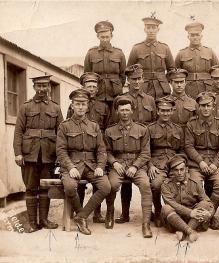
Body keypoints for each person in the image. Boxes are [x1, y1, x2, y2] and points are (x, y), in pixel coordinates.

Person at [56, 89, 111, 235]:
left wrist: (100, 166)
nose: (80, 107)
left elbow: (101, 149)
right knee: (69, 187)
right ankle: (81, 215)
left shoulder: (94, 126)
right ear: (72, 105)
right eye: (77, 104)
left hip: (91, 165)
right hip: (72, 164)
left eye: (83, 104)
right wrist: (70, 167)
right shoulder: (64, 126)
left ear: (87, 106)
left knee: (105, 187)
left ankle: (81, 216)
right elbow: (61, 151)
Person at [13, 75, 63, 233]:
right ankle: (32, 222)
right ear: (34, 87)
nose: (42, 89)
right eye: (39, 86)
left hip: (49, 154)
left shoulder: (55, 108)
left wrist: (60, 156)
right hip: (30, 154)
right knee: (30, 188)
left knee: (45, 188)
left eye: (45, 86)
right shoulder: (25, 107)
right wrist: (18, 153)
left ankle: (44, 220)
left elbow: (61, 133)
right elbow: (18, 132)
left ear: (49, 87)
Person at [111, 64, 157, 224]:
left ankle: (149, 212)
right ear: (128, 81)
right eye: (133, 79)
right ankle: (125, 213)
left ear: (143, 79)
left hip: (144, 142)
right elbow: (114, 121)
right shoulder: (121, 99)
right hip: (124, 142)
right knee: (125, 185)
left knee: (146, 181)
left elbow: (154, 122)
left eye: (139, 79)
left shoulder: (150, 100)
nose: (136, 82)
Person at [104, 96, 153, 237]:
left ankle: (146, 224)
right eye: (122, 110)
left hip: (136, 164)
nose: (125, 112)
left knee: (145, 185)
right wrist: (114, 162)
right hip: (118, 164)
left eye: (127, 110)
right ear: (117, 112)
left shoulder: (142, 129)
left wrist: (135, 166)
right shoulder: (109, 131)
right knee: (112, 185)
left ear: (132, 111)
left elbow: (145, 152)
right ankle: (110, 213)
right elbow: (106, 151)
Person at [67, 72, 110, 223]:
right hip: (77, 148)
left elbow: (107, 127)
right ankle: (78, 211)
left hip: (96, 148)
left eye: (94, 86)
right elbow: (68, 127)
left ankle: (96, 213)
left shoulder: (103, 106)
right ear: (83, 87)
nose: (91, 89)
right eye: (88, 86)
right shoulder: (75, 106)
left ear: (97, 89)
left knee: (101, 183)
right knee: (77, 185)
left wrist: (101, 161)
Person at [185, 92, 219, 229]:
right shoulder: (191, 124)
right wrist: (201, 162)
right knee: (195, 184)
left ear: (213, 106)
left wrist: (215, 165)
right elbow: (189, 146)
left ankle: (210, 215)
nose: (205, 108)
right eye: (203, 105)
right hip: (197, 163)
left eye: (208, 105)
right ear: (198, 107)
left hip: (216, 162)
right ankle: (200, 215)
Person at [147, 97, 184, 226]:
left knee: (183, 181)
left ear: (172, 111)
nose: (165, 113)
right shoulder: (150, 129)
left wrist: (181, 164)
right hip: (158, 165)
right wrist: (150, 165)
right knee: (156, 185)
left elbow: (182, 150)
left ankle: (178, 211)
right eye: (162, 110)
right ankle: (157, 210)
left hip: (175, 163)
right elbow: (146, 151)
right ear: (157, 111)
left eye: (168, 110)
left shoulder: (178, 129)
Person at [161, 154, 214, 242]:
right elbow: (172, 204)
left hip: (193, 219)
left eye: (182, 169)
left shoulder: (195, 182)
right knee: (166, 208)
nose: (179, 173)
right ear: (172, 172)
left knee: (204, 204)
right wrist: (190, 212)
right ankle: (190, 232)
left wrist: (209, 214)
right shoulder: (166, 185)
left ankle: (183, 233)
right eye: (176, 170)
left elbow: (207, 201)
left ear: (186, 169)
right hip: (175, 219)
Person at [127, 16, 174, 99]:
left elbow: (172, 70)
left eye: (154, 28)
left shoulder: (165, 48)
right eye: (148, 28)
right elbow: (129, 70)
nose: (151, 31)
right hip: (143, 88)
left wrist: (163, 80)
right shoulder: (137, 48)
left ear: (158, 29)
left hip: (162, 89)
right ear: (144, 29)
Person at [84, 21, 126, 110]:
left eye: (107, 37)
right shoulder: (91, 53)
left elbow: (123, 75)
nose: (105, 40)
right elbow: (87, 75)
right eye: (102, 37)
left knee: (115, 118)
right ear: (98, 36)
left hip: (115, 93)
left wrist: (117, 87)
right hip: (97, 93)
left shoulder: (119, 53)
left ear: (111, 36)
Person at [175, 22, 219, 99]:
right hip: (188, 89)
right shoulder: (181, 53)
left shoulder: (210, 52)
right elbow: (176, 74)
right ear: (188, 36)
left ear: (201, 36)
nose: (195, 37)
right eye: (192, 35)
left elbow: (217, 72)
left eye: (197, 34)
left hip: (207, 88)